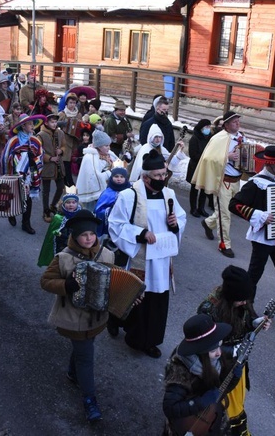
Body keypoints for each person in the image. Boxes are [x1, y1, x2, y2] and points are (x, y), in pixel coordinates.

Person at [108, 149, 187, 358]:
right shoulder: (129, 195)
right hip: (140, 256)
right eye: (158, 176)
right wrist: (141, 233)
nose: (162, 179)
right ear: (145, 177)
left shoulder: (169, 194)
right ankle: (115, 320)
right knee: (133, 294)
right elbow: (115, 224)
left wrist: (175, 224)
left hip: (161, 256)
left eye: (164, 175)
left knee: (157, 300)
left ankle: (148, 340)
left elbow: (181, 217)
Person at [40, 210, 116, 423]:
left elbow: (115, 280)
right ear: (74, 236)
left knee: (85, 345)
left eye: (92, 234)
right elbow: (45, 281)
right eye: (84, 235)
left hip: (97, 317)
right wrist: (66, 285)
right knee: (86, 356)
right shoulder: (64, 258)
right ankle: (89, 399)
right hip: (74, 318)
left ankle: (73, 373)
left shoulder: (107, 255)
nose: (89, 238)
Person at [229, 145, 275, 328]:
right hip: (262, 238)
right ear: (269, 164)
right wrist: (259, 215)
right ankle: (246, 311)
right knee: (254, 275)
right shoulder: (256, 183)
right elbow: (234, 204)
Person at [197, 266, 270, 436]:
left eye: (246, 299)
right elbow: (202, 347)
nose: (245, 303)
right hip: (215, 369)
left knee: (235, 404)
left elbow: (246, 318)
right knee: (216, 408)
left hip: (236, 364)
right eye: (241, 300)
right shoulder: (208, 310)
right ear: (230, 296)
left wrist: (255, 322)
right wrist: (229, 350)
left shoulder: (241, 299)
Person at [162, 314, 239, 436]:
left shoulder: (214, 360)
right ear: (200, 352)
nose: (219, 353)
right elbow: (170, 408)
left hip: (209, 423)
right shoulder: (180, 371)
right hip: (184, 427)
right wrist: (201, 402)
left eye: (219, 346)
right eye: (213, 350)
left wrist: (234, 377)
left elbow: (219, 393)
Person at [193, 111, 245, 258]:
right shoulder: (219, 138)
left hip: (236, 180)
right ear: (226, 125)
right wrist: (226, 157)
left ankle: (209, 223)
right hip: (223, 181)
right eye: (234, 122)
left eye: (238, 121)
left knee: (229, 211)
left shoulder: (241, 137)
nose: (237, 123)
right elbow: (208, 158)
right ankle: (224, 245)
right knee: (225, 215)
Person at [0, 114, 45, 234]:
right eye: (30, 124)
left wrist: (33, 160)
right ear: (23, 126)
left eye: (33, 124)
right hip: (14, 174)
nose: (32, 126)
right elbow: (5, 157)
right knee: (14, 196)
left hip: (29, 176)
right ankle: (11, 214)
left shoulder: (35, 141)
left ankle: (26, 223)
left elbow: (40, 155)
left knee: (27, 198)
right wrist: (19, 158)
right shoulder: (14, 141)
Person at [76, 130, 118, 213]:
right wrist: (110, 172)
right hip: (94, 194)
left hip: (108, 189)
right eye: (106, 145)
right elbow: (93, 176)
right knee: (93, 213)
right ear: (99, 146)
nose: (109, 148)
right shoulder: (90, 157)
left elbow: (118, 163)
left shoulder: (108, 153)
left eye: (109, 145)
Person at [37, 190, 81, 267]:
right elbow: (51, 237)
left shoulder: (80, 217)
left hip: (74, 246)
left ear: (77, 204)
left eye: (73, 202)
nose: (71, 205)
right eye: (68, 202)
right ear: (63, 204)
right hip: (60, 246)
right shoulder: (58, 218)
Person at [37, 113, 66, 222]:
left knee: (60, 187)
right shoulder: (41, 135)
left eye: (55, 122)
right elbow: (38, 151)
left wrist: (61, 150)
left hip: (58, 165)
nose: (54, 124)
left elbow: (63, 145)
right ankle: (46, 210)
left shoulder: (60, 133)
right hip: (47, 166)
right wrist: (49, 158)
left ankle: (53, 205)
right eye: (52, 122)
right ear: (46, 122)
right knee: (46, 190)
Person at [186, 119, 213, 218]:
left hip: (206, 167)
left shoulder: (210, 138)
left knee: (204, 188)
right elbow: (193, 154)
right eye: (206, 127)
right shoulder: (194, 139)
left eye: (209, 127)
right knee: (195, 188)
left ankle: (201, 208)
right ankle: (193, 208)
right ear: (201, 128)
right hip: (196, 166)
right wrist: (205, 157)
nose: (208, 129)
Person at [57, 93, 82, 187]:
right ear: (66, 103)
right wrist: (63, 124)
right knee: (66, 161)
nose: (72, 105)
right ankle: (68, 182)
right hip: (65, 140)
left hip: (75, 140)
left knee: (72, 161)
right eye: (70, 102)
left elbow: (81, 125)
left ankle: (69, 181)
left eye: (74, 103)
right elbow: (55, 125)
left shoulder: (78, 114)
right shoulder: (62, 114)